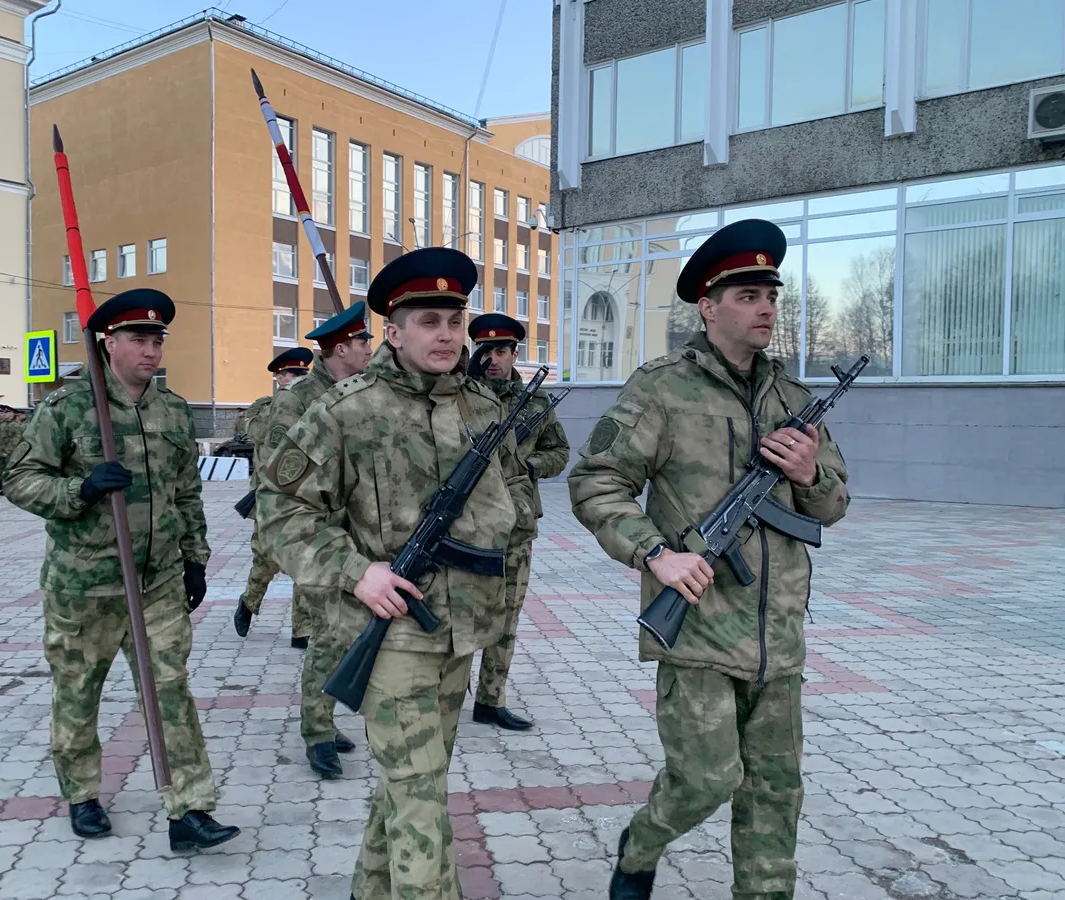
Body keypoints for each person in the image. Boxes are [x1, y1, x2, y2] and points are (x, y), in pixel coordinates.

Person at [566, 220, 851, 900]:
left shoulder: (793, 400)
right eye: (749, 296)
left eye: (771, 297)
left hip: (778, 637)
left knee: (776, 792)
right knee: (706, 779)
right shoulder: (662, 389)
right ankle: (642, 844)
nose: (765, 309)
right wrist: (655, 555)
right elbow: (596, 482)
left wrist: (809, 473)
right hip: (696, 627)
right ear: (708, 306)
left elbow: (833, 504)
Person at [257, 247, 535, 900]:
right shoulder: (348, 410)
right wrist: (357, 572)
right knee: (420, 803)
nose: (446, 334)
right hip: (387, 634)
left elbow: (516, 493)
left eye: (454, 320)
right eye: (429, 321)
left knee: (413, 786)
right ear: (393, 331)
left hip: (459, 634)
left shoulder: (482, 408)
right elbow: (279, 512)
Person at [3, 288, 239, 852]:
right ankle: (82, 794)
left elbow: (186, 492)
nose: (150, 351)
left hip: (157, 582)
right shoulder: (68, 408)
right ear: (109, 343)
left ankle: (189, 809)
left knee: (170, 689)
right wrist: (79, 489)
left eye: (157, 340)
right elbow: (19, 479)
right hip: (85, 585)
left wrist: (195, 560)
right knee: (79, 690)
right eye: (138, 339)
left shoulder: (173, 410)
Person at [257, 301, 374, 778]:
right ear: (341, 348)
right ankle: (318, 731)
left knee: (347, 634)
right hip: (320, 536)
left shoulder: (363, 391)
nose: (370, 348)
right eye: (363, 341)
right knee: (328, 635)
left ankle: (326, 718)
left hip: (361, 535)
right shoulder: (298, 399)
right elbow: (276, 473)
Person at [467, 313, 570, 731]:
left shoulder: (536, 402)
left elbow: (559, 453)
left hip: (517, 522)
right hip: (467, 524)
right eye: (485, 351)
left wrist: (528, 466)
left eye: (501, 351)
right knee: (463, 612)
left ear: (514, 354)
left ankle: (490, 700)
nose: (493, 360)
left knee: (507, 615)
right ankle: (444, 695)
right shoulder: (460, 397)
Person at [233, 346, 314, 642]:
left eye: (301, 377)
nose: (296, 384)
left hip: (303, 496)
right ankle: (248, 602)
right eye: (291, 378)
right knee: (266, 559)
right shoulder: (265, 407)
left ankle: (302, 630)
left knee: (304, 559)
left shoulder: (313, 402)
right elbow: (259, 436)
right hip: (268, 498)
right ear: (280, 379)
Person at [0, 405, 22, 495]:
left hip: (10, 453)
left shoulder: (14, 425)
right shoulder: (3, 424)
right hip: (2, 452)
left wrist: (8, 451)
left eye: (8, 412)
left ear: (13, 414)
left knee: (10, 471)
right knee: (2, 471)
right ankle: (4, 488)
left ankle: (12, 489)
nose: (5, 414)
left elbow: (16, 439)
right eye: (4, 412)